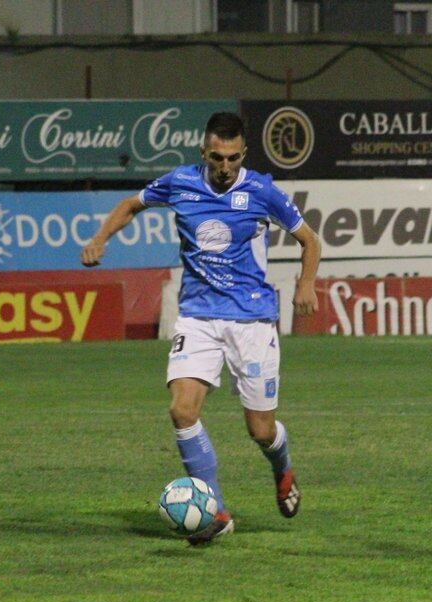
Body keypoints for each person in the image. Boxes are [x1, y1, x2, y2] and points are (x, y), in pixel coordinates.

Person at [81, 112, 320, 545]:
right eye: (216, 158)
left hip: (251, 321)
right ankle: (216, 512)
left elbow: (310, 239)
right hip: (198, 317)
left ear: (243, 154)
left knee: (260, 430)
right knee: (182, 411)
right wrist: (101, 238)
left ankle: (282, 467)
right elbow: (130, 204)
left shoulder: (262, 191)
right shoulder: (181, 182)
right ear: (203, 153)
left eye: (232, 158)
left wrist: (305, 284)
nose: (224, 167)